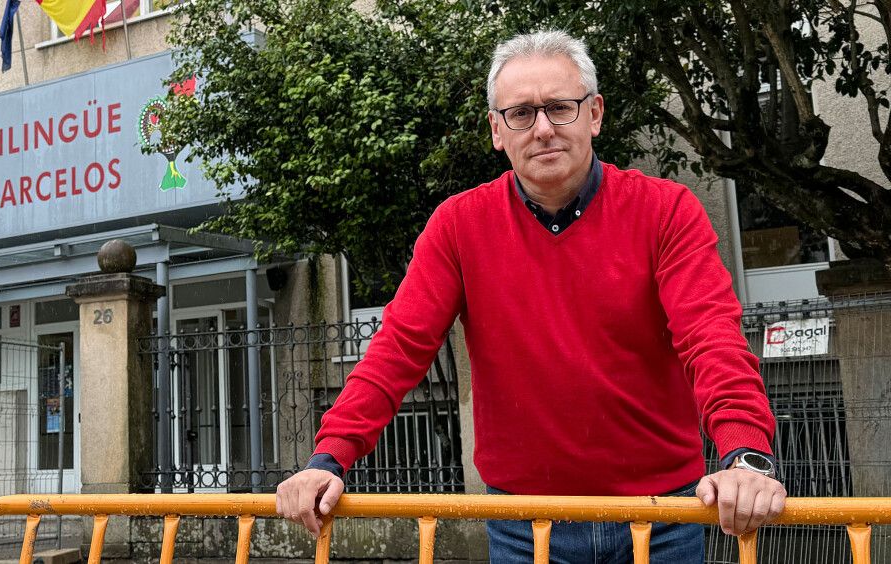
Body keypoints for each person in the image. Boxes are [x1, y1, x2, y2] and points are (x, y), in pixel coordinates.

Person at [274, 30, 787, 563]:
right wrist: (328, 458)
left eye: (560, 107)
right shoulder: (458, 226)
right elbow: (398, 349)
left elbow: (712, 338)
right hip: (524, 522)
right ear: (497, 130)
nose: (542, 129)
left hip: (662, 516)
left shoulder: (667, 211)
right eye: (520, 113)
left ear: (595, 114)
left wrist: (745, 454)